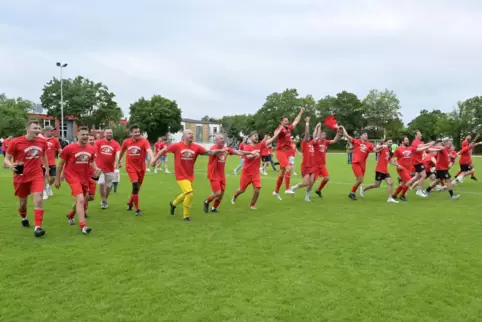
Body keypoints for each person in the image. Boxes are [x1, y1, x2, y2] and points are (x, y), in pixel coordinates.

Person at [151, 130, 226, 222]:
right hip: (180, 176)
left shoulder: (196, 147)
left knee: (185, 194)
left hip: (190, 175)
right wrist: (154, 160)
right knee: (189, 194)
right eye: (189, 133)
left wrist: (220, 150)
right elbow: (163, 150)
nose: (192, 135)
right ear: (184, 136)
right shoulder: (177, 146)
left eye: (192, 134)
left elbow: (209, 152)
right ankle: (186, 216)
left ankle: (173, 204)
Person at [4, 121, 48, 237]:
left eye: (39, 128)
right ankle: (24, 217)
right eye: (35, 128)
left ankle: (38, 227)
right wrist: (10, 165)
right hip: (21, 176)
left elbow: (43, 155)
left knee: (38, 199)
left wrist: (47, 168)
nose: (38, 130)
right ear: (27, 129)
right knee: (22, 204)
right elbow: (6, 159)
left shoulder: (42, 141)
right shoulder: (16, 142)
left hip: (37, 174)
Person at [56, 128, 99, 234]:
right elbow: (60, 164)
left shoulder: (91, 149)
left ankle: (71, 215)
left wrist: (96, 168)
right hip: (72, 176)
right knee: (80, 199)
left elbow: (92, 161)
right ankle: (83, 226)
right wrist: (57, 179)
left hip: (84, 178)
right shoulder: (69, 148)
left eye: (86, 135)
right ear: (77, 136)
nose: (85, 136)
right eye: (82, 134)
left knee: (83, 200)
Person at [203, 134, 256, 213]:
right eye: (220, 138)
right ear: (216, 141)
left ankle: (214, 208)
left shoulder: (226, 149)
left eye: (223, 138)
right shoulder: (214, 148)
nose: (223, 140)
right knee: (217, 192)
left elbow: (238, 152)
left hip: (221, 174)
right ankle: (206, 201)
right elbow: (211, 152)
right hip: (213, 174)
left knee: (222, 192)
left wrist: (250, 153)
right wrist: (221, 150)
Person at [232, 130, 280, 209]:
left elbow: (270, 140)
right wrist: (255, 153)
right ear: (250, 138)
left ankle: (252, 204)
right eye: (255, 136)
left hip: (255, 173)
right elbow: (248, 157)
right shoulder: (247, 147)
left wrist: (277, 133)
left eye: (257, 136)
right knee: (242, 190)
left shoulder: (260, 145)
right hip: (246, 173)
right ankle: (234, 197)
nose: (256, 137)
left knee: (257, 189)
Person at [118, 125, 154, 216]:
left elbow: (149, 150)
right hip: (130, 168)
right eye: (135, 132)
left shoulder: (144, 141)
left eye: (138, 132)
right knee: (135, 185)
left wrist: (153, 158)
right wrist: (119, 161)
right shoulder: (126, 142)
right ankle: (137, 209)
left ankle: (130, 203)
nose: (138, 133)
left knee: (137, 188)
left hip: (141, 168)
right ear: (131, 133)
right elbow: (122, 151)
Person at [340, 126, 380, 200]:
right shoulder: (356, 141)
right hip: (356, 163)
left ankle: (352, 193)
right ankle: (352, 193)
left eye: (367, 134)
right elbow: (346, 136)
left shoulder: (369, 144)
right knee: (360, 180)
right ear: (361, 136)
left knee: (358, 180)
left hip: (363, 165)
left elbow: (375, 150)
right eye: (364, 134)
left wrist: (382, 146)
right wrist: (343, 128)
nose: (366, 135)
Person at [272, 108, 305, 199]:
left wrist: (301, 112)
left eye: (287, 121)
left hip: (286, 151)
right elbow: (275, 133)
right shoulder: (280, 129)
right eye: (285, 121)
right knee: (288, 168)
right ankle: (287, 188)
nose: (287, 122)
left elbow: (296, 121)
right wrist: (278, 130)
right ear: (281, 122)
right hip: (280, 151)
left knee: (282, 173)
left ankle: (276, 191)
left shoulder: (288, 128)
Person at [285, 118, 317, 201]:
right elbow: (307, 133)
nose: (309, 137)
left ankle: (307, 196)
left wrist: (317, 127)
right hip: (306, 165)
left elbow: (316, 136)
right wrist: (307, 123)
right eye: (307, 137)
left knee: (311, 182)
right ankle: (293, 188)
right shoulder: (304, 143)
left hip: (312, 166)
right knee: (306, 183)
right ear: (303, 138)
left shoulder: (311, 143)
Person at [94, 128, 121, 209]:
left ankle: (106, 198)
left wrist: (119, 161)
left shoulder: (116, 144)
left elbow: (118, 153)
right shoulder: (98, 142)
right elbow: (94, 151)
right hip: (100, 168)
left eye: (110, 133)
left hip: (110, 168)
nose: (109, 134)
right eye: (108, 133)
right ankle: (103, 200)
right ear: (104, 134)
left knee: (108, 186)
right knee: (101, 183)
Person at [314, 127, 341, 198]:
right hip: (315, 165)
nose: (324, 136)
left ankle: (318, 190)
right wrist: (317, 128)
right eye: (323, 135)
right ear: (319, 135)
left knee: (326, 178)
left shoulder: (325, 142)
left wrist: (338, 133)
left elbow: (334, 140)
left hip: (322, 165)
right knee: (312, 180)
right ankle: (307, 194)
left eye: (325, 135)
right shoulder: (316, 142)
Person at [408, 130, 435, 197]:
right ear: (416, 135)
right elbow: (419, 149)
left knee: (416, 177)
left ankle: (405, 187)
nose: (421, 135)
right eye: (419, 134)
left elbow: (423, 145)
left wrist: (430, 144)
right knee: (424, 175)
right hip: (417, 162)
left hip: (419, 161)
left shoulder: (419, 142)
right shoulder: (414, 142)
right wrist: (429, 145)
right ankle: (419, 190)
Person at [392, 137, 415, 201]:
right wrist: (397, 165)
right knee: (410, 181)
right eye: (406, 140)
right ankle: (402, 195)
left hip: (408, 168)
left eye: (408, 140)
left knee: (403, 183)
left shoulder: (410, 148)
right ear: (402, 142)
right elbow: (393, 159)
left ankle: (394, 195)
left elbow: (418, 149)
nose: (408, 141)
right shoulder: (398, 149)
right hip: (401, 168)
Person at [42, 126, 62, 199]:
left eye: (53, 131)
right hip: (42, 162)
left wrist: (65, 156)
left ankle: (48, 186)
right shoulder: (40, 139)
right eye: (51, 131)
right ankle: (44, 192)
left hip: (52, 162)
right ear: (46, 131)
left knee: (53, 177)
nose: (53, 132)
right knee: (42, 177)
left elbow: (60, 149)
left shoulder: (55, 140)